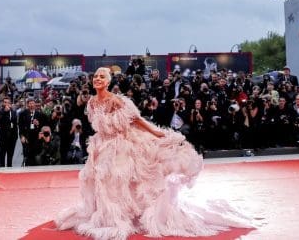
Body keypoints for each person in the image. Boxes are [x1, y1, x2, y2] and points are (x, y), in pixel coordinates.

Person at [56, 67, 251, 239]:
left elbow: (137, 120)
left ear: (108, 82)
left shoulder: (116, 100)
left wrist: (155, 132)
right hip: (101, 145)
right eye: (96, 76)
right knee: (103, 181)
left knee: (119, 179)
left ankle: (126, 215)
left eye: (101, 77)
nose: (97, 79)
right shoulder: (91, 102)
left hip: (120, 144)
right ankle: (110, 214)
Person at [0, 97, 18, 167]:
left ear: (10, 104)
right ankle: (2, 168)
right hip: (3, 137)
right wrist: (5, 112)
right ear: (3, 103)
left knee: (10, 154)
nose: (6, 104)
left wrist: (16, 136)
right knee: (2, 154)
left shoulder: (13, 112)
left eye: (8, 102)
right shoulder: (0, 112)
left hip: (12, 137)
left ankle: (9, 168)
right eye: (5, 102)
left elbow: (15, 124)